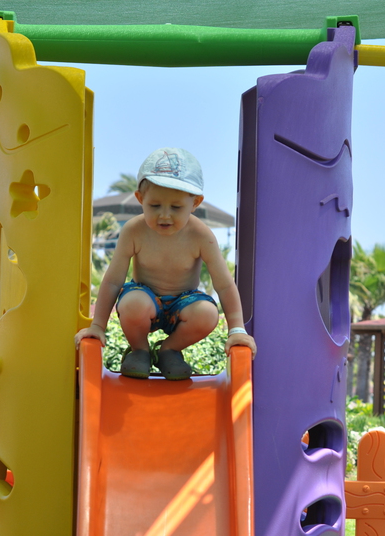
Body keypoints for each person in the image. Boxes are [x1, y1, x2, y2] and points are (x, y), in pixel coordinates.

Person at [74, 147, 256, 380]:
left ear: (195, 203)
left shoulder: (201, 235)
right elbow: (112, 281)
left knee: (207, 314)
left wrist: (237, 329)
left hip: (184, 303)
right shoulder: (134, 230)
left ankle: (168, 350)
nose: (165, 215)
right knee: (133, 304)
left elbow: (225, 285)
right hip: (144, 297)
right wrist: (98, 326)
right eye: (155, 206)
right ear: (140, 199)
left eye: (176, 207)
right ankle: (140, 350)